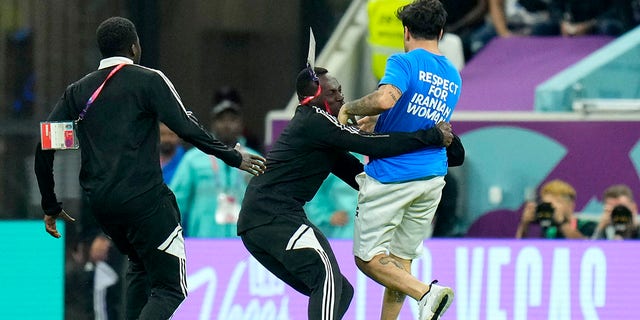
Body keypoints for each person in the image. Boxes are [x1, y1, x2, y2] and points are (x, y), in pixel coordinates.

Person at [34, 16, 265, 320]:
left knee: (140, 268)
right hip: (144, 202)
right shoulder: (149, 79)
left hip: (104, 207)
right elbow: (187, 127)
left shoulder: (78, 91)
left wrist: (50, 205)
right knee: (171, 287)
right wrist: (235, 158)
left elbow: (44, 147)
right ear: (134, 46)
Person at [237, 66, 454, 320]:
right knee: (326, 277)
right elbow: (373, 144)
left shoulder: (318, 133)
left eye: (340, 90)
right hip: (271, 213)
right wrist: (430, 136)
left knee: (341, 292)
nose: (341, 97)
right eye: (333, 92)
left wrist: (398, 197)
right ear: (313, 96)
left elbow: (357, 175)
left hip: (260, 220)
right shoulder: (315, 120)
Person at [337, 1, 461, 319]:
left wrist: (350, 108)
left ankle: (426, 293)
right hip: (433, 177)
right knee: (400, 259)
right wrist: (379, 122)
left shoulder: (403, 62)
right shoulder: (452, 75)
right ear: (441, 33)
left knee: (367, 258)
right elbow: (418, 117)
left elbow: (385, 98)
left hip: (393, 175)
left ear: (406, 32)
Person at [170, 99, 260, 238]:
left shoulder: (255, 159)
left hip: (245, 244)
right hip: (203, 242)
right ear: (213, 124)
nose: (227, 125)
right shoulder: (193, 159)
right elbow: (176, 203)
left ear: (241, 125)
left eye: (232, 120)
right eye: (221, 120)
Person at [304, 153, 365, 239]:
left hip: (376, 234)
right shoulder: (340, 156)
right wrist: (326, 216)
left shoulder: (383, 157)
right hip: (343, 233)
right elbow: (313, 191)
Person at [515, 179, 596, 239]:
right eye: (547, 204)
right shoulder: (549, 230)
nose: (551, 208)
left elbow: (585, 247)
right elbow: (519, 248)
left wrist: (561, 222)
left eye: (556, 203)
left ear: (571, 206)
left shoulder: (587, 226)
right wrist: (524, 224)